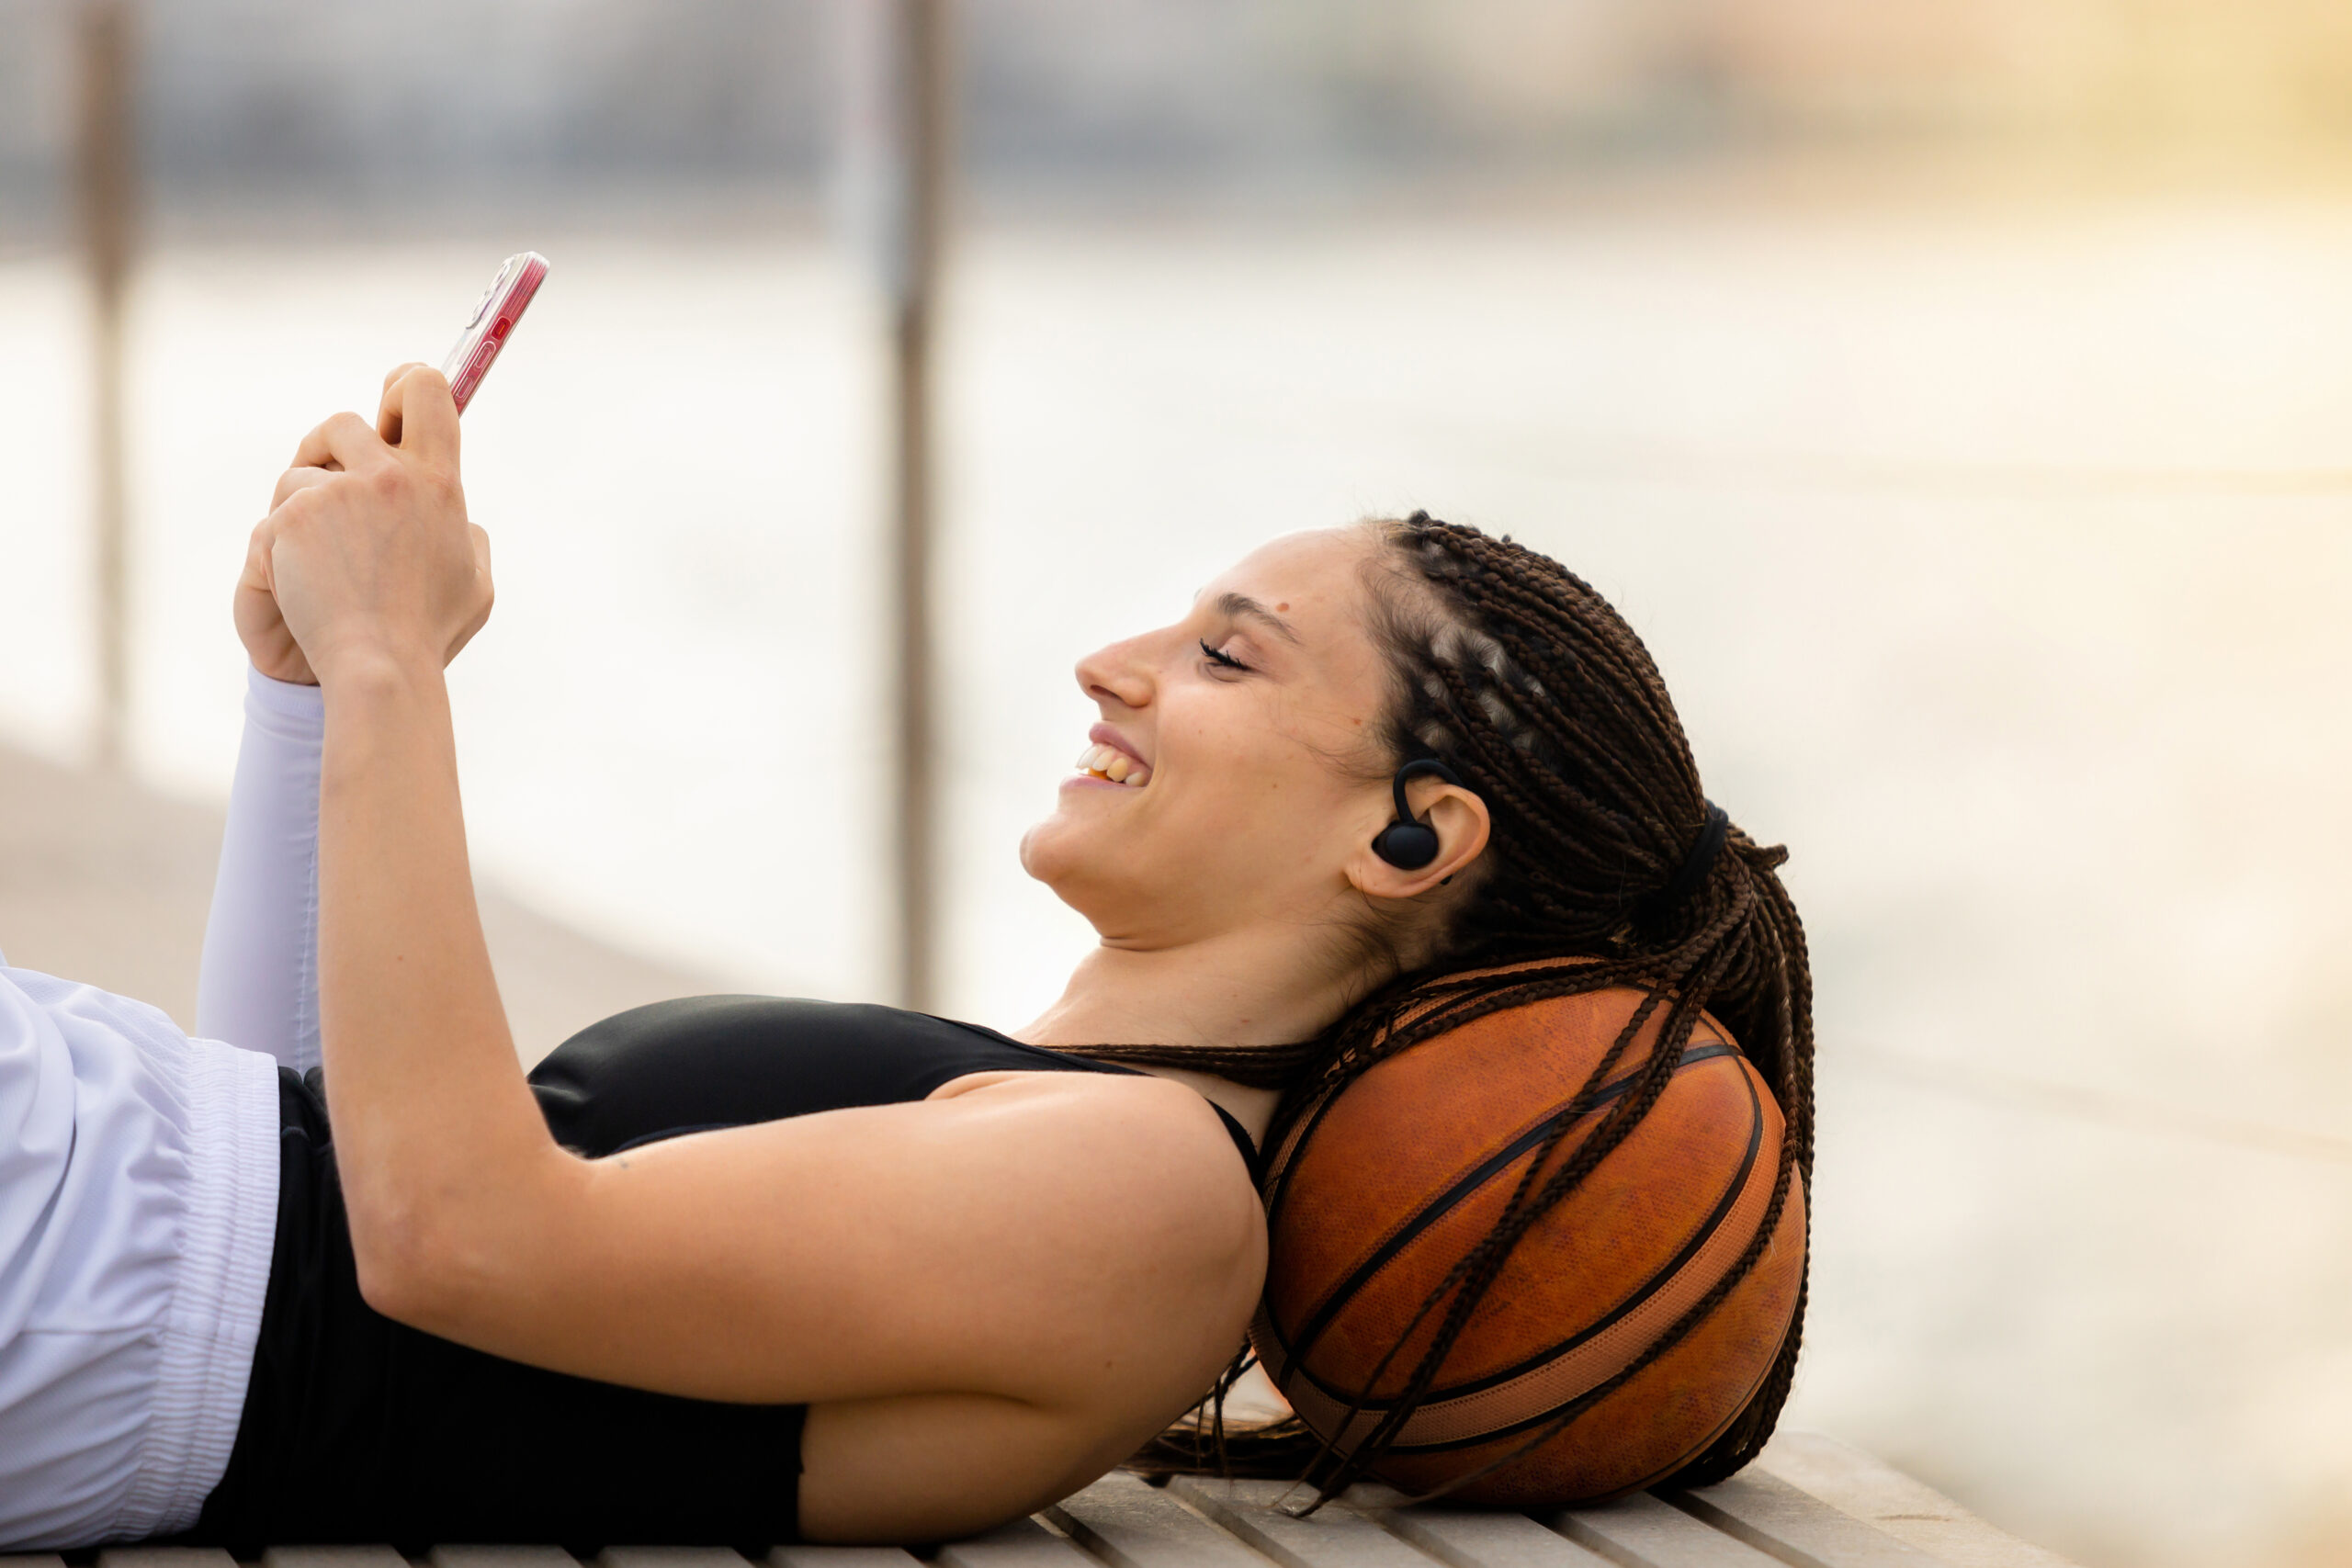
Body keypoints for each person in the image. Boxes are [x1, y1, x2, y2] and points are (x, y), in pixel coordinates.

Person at [0, 365, 1813, 1550]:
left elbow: (446, 1240)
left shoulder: (1155, 1208)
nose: (1114, 659)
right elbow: (289, 1147)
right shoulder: (1061, 1132)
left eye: (1227, 656)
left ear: (1406, 832)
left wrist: (395, 656)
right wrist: (313, 696)